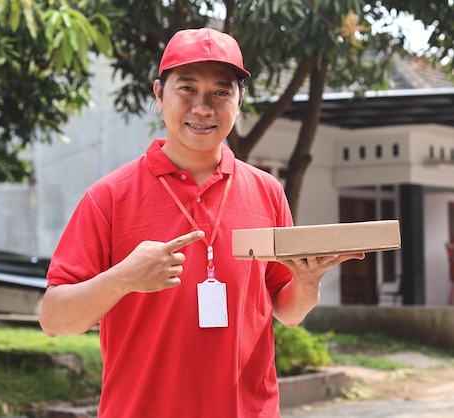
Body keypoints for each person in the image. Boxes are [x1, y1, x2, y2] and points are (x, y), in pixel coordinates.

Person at [39, 27, 364, 417]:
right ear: (158, 94)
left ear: (240, 100)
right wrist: (122, 278)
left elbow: (287, 311)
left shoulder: (267, 191)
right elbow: (54, 318)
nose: (203, 107)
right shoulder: (110, 197)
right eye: (187, 89)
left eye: (221, 92)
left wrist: (308, 282)